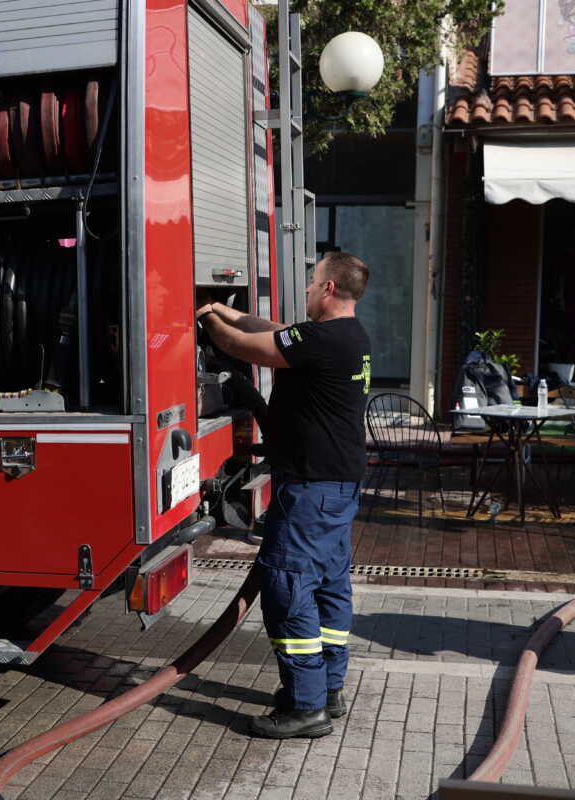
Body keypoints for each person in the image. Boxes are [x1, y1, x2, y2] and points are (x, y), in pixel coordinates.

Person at [195, 251, 371, 740]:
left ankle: (305, 705)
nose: (308, 291)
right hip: (335, 486)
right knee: (328, 585)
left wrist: (208, 318)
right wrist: (224, 308)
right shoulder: (346, 336)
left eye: (313, 284)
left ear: (330, 289)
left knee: (287, 586)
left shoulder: (321, 340)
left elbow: (247, 346)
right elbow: (268, 329)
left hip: (313, 490)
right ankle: (329, 689)